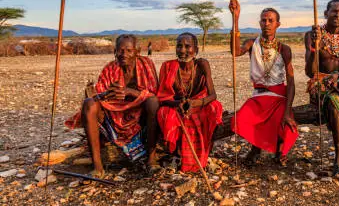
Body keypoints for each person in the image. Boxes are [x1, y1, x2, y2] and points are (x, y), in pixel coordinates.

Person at [65, 34, 160, 177]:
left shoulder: (146, 64)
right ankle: (98, 167)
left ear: (137, 51)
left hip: (141, 116)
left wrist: (129, 92)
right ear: (115, 51)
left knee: (153, 102)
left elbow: (153, 92)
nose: (124, 54)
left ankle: (151, 161)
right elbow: (99, 95)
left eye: (129, 50)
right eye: (120, 50)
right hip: (114, 116)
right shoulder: (109, 69)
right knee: (88, 104)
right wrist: (109, 94)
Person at [228, 0, 298, 166]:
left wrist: (288, 111)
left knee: (285, 123)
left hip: (279, 96)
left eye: (270, 20)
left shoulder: (284, 49)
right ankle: (256, 148)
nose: (266, 23)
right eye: (264, 20)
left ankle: (279, 150)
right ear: (259, 23)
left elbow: (291, 81)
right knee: (240, 120)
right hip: (259, 96)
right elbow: (235, 51)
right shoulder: (252, 44)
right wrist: (235, 18)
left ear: (278, 24)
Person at [304, 0, 339, 178]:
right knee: (335, 99)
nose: (337, 15)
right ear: (325, 14)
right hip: (319, 83)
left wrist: (336, 77)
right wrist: (314, 48)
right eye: (334, 11)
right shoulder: (312, 34)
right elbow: (309, 72)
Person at [155, 33, 223, 172]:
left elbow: (213, 95)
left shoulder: (202, 64)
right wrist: (178, 104)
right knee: (165, 114)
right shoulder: (168, 67)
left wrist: (195, 103)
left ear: (196, 50)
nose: (183, 50)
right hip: (176, 106)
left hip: (198, 104)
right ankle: (176, 154)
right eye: (179, 46)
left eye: (187, 46)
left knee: (215, 108)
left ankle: (205, 151)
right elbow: (162, 97)